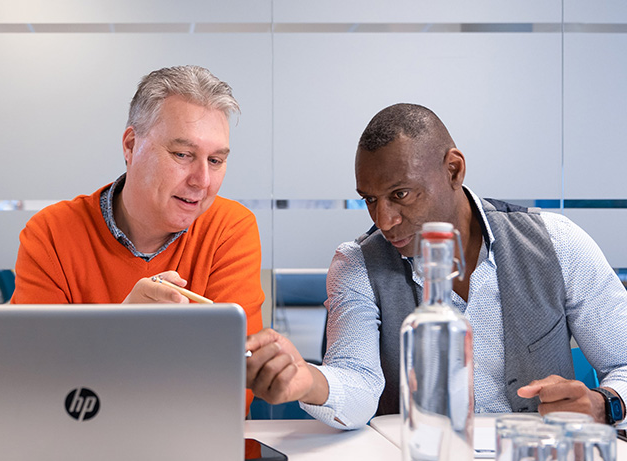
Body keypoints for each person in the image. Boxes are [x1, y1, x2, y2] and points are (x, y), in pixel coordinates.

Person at [246, 103, 627, 429]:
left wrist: (604, 403)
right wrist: (308, 380)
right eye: (370, 199)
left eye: (401, 194)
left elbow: (623, 362)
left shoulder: (556, 242)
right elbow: (357, 383)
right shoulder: (356, 264)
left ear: (454, 170)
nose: (384, 220)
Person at [10, 65, 265, 409]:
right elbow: (32, 386)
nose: (202, 180)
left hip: (188, 439)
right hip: (76, 439)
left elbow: (232, 390)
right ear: (131, 146)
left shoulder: (229, 229)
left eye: (216, 160)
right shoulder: (52, 234)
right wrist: (122, 330)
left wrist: (94, 357)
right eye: (182, 155)